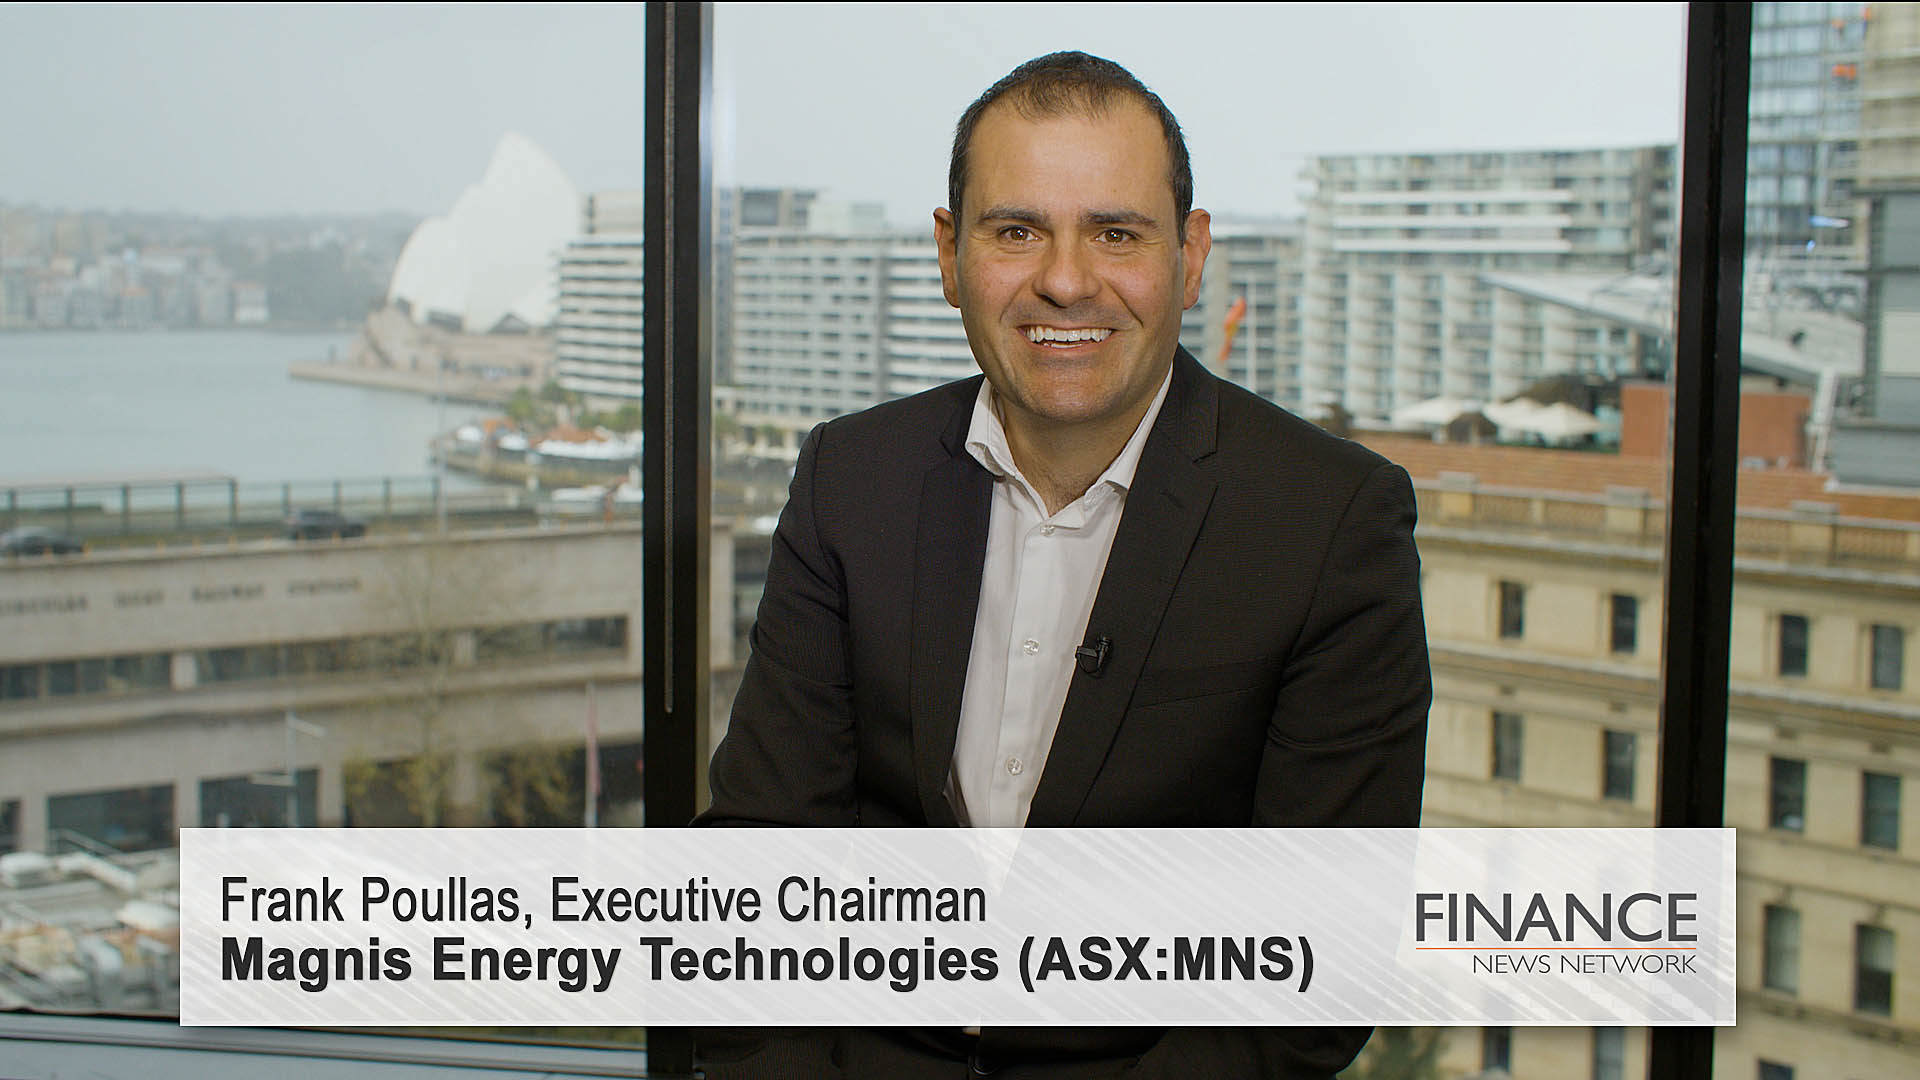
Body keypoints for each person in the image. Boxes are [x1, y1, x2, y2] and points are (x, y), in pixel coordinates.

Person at [695, 50, 1429, 1079]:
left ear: (1190, 257)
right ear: (950, 255)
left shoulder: (1330, 521)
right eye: (1016, 231)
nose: (1067, 280)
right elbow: (759, 867)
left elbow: (1319, 961)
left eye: (1117, 233)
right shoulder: (849, 478)